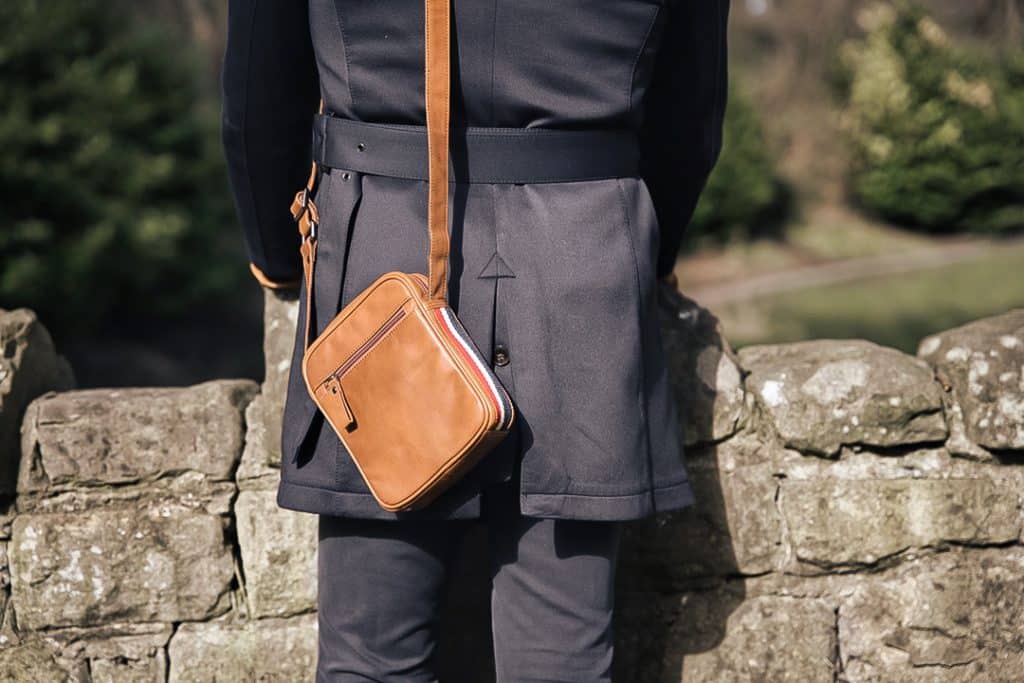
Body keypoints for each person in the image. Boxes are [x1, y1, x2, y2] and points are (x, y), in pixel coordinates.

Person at [221, 0, 729, 679]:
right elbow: (689, 115)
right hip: (585, 265)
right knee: (563, 658)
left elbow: (257, 94)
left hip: (382, 265)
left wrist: (277, 257)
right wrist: (638, 252)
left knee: (372, 659)